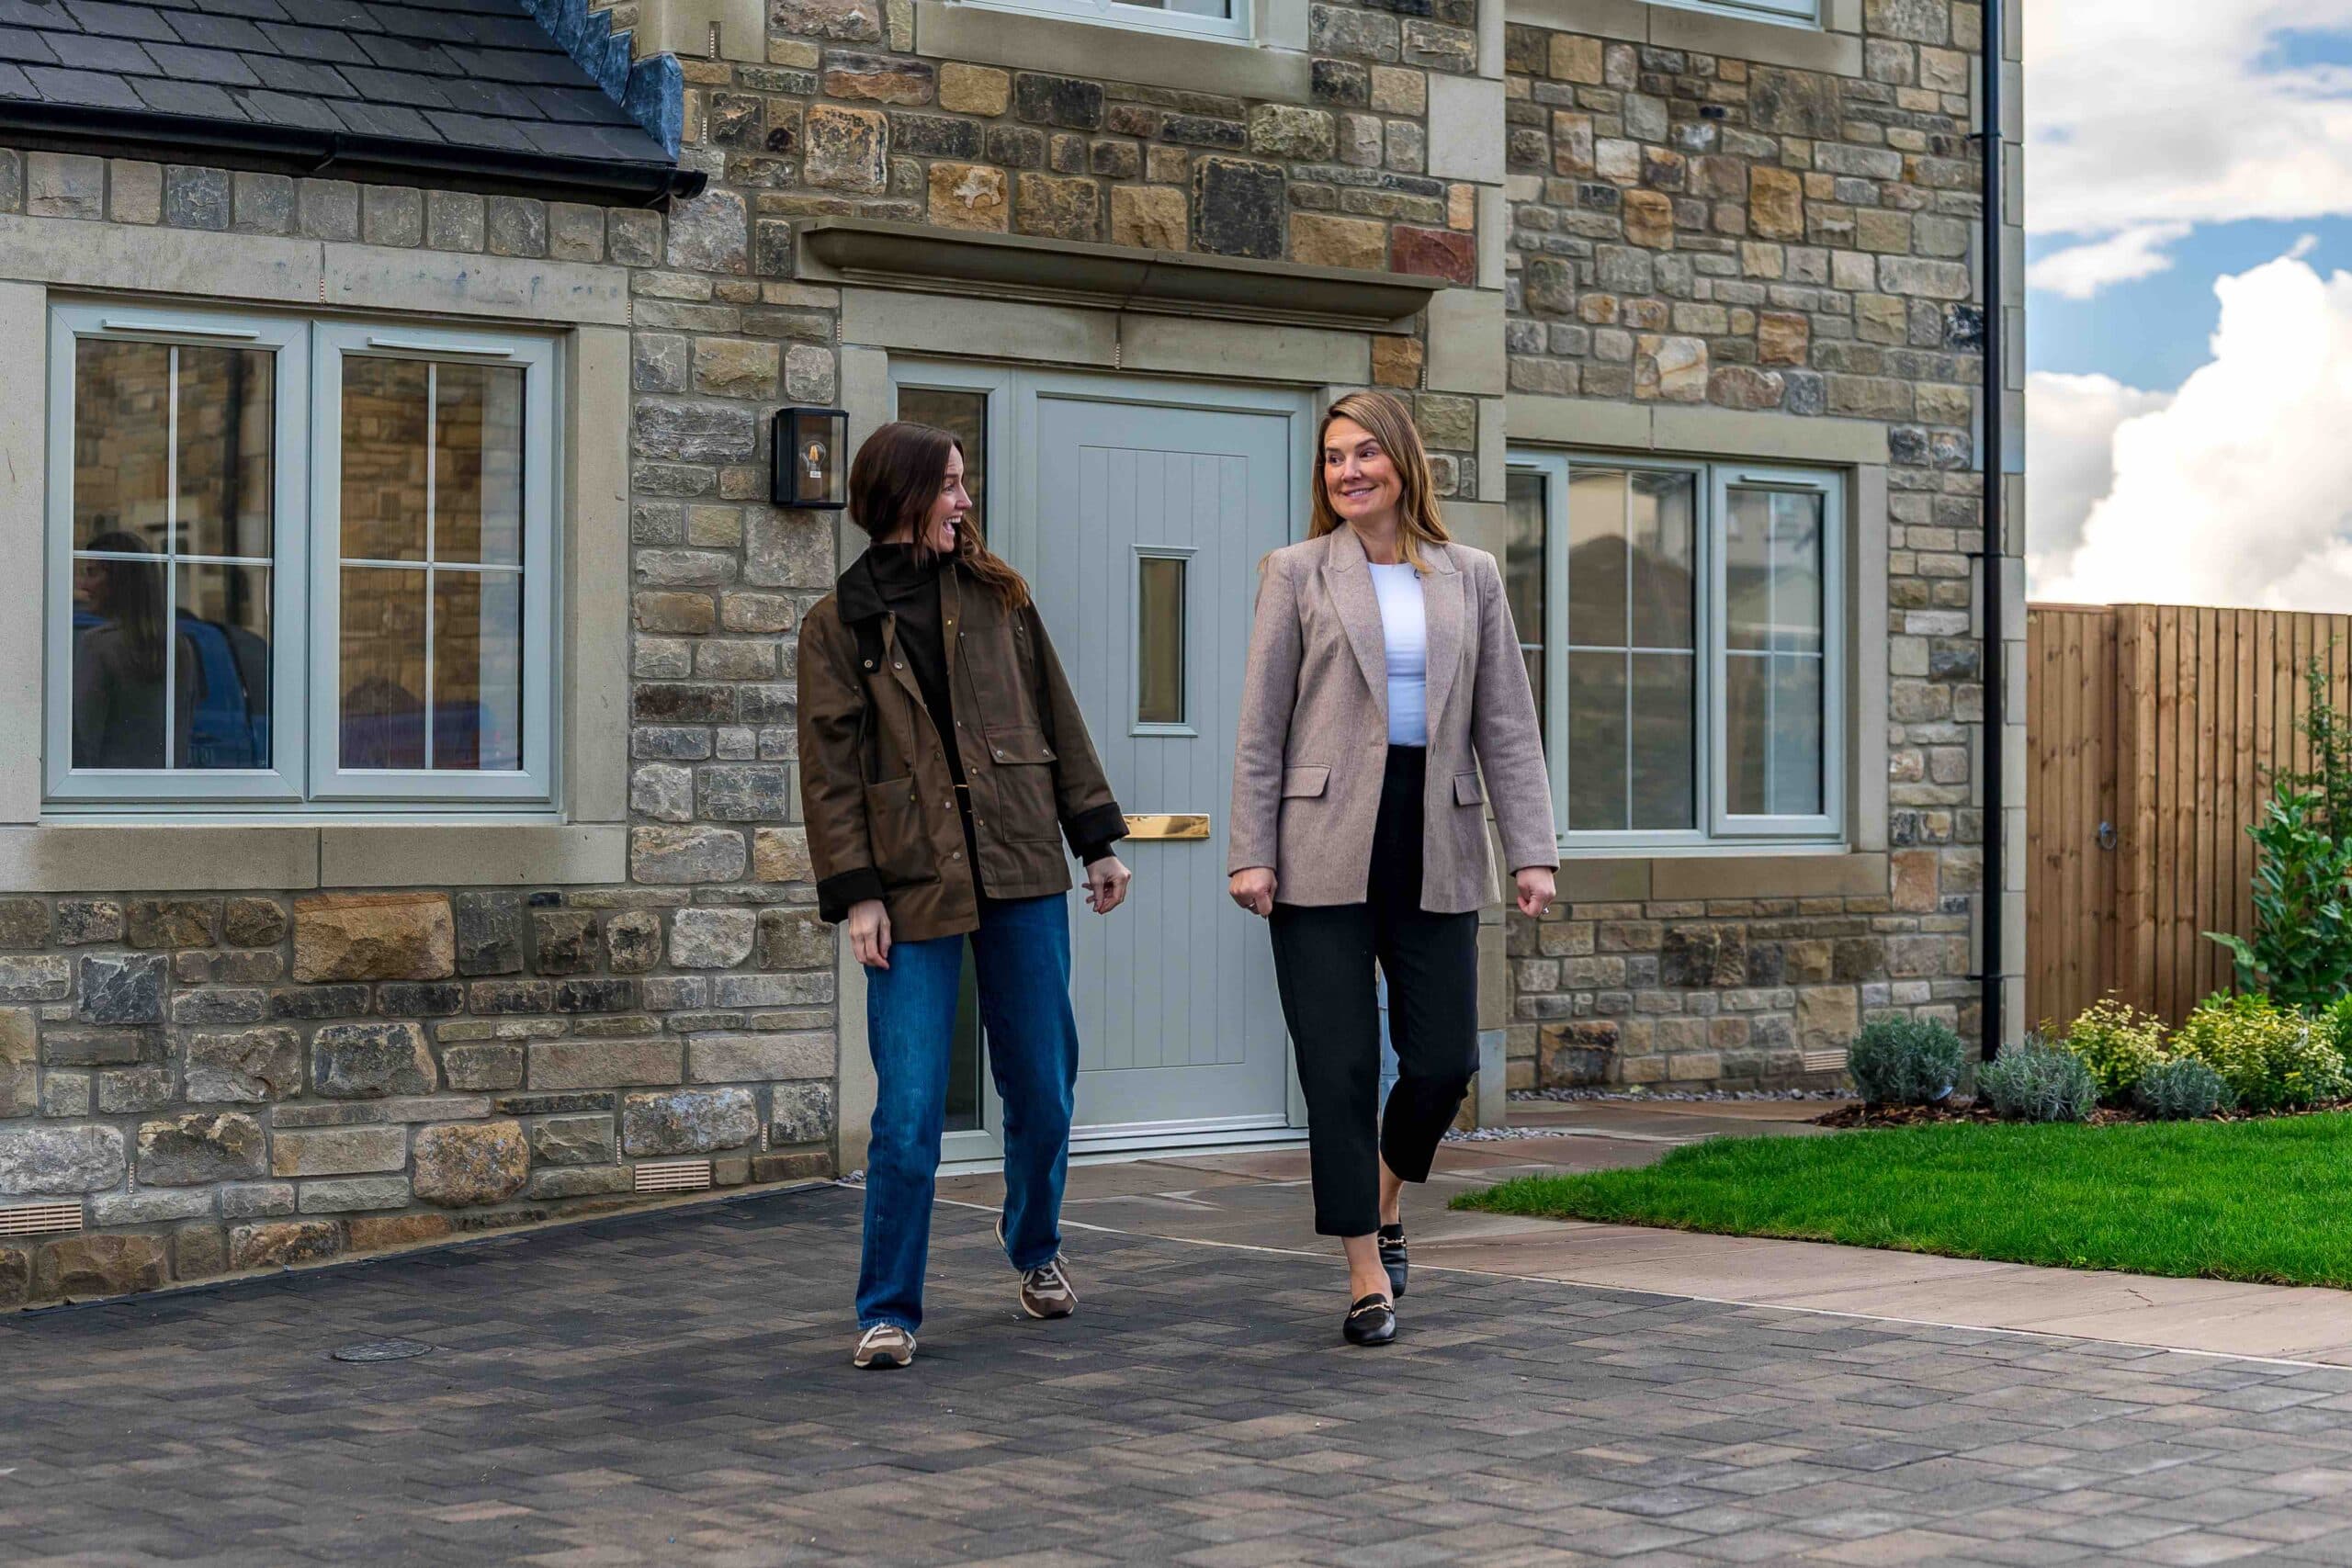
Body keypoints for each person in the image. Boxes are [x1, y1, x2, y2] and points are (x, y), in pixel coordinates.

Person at [798, 420, 1135, 1371]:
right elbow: (826, 776)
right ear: (903, 495)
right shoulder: (838, 626)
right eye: (949, 485)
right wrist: (856, 896)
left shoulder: (998, 598)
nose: (965, 500)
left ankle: (1036, 1252)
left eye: (964, 483)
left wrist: (1096, 838)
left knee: (1043, 1087)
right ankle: (889, 1309)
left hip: (1023, 864)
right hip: (908, 886)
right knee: (906, 1109)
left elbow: (1056, 718)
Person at [1227, 390, 1558, 1347]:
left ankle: (1384, 1196)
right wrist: (1251, 851)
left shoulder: (1471, 576)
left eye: (1365, 453)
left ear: (1404, 462)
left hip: (1437, 835)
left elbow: (1507, 721)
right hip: (1318, 842)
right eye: (1333, 458)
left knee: (1445, 1058)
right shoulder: (1294, 573)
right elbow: (1260, 727)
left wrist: (1530, 848)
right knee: (1337, 1068)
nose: (1348, 472)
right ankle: (1365, 1271)